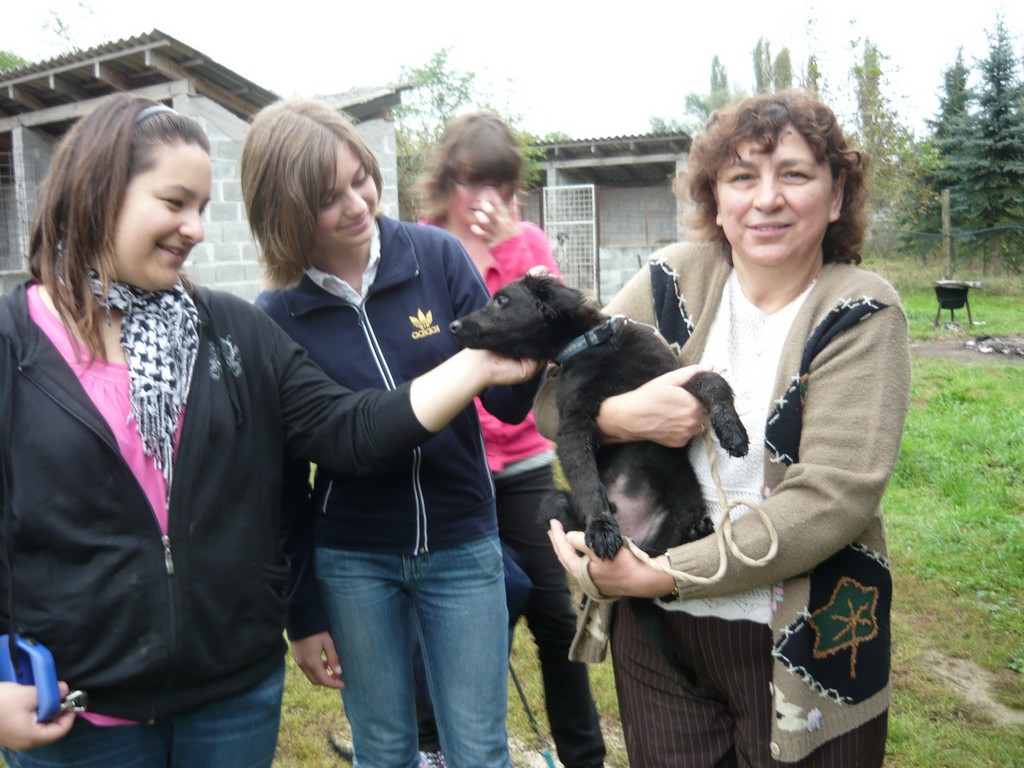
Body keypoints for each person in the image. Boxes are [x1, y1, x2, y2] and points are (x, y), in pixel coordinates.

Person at [0, 93, 537, 768]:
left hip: (231, 699)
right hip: (82, 714)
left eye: (202, 206)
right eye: (175, 203)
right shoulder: (14, 343)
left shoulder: (232, 332)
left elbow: (348, 429)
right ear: (99, 191)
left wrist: (487, 360)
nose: (196, 229)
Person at [543, 89, 911, 767]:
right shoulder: (672, 279)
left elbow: (834, 498)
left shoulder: (859, 309)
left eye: (794, 173)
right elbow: (548, 400)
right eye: (742, 176)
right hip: (658, 639)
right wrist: (620, 415)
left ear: (836, 196)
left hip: (804, 641)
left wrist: (663, 573)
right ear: (716, 198)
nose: (766, 198)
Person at [242, 99, 541, 768]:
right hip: (353, 560)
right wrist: (303, 613)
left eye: (361, 179)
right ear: (284, 210)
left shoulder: (435, 255)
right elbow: (284, 483)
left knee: (479, 747)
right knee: (382, 747)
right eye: (328, 198)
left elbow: (509, 402)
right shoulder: (276, 316)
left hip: (463, 544)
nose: (357, 204)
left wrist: (533, 338)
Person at [414, 111, 606, 768]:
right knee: (444, 616)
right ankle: (433, 745)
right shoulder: (422, 246)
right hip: (448, 465)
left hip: (522, 463)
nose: (485, 200)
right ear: (447, 182)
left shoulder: (527, 244)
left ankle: (584, 756)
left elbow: (553, 328)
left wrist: (515, 250)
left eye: (499, 184)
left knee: (554, 615)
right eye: (472, 181)